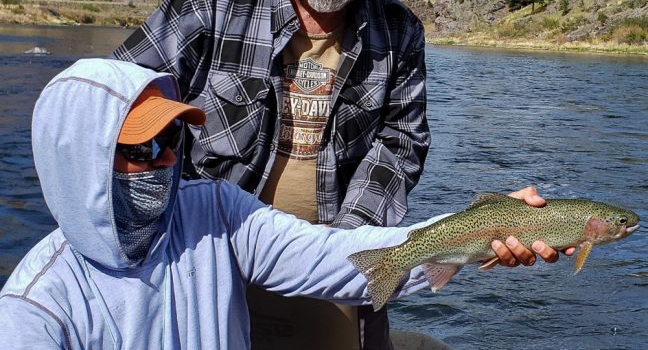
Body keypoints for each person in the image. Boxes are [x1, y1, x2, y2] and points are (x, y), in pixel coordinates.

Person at [111, 0, 568, 349]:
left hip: (336, 270)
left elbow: (401, 146)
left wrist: (346, 251)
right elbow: (116, 109)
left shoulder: (400, 32)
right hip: (200, 262)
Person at [0, 58, 559, 349]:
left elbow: (337, 256)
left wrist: (480, 227)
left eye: (172, 141)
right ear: (81, 159)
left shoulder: (216, 211)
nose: (166, 161)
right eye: (142, 148)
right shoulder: (36, 307)